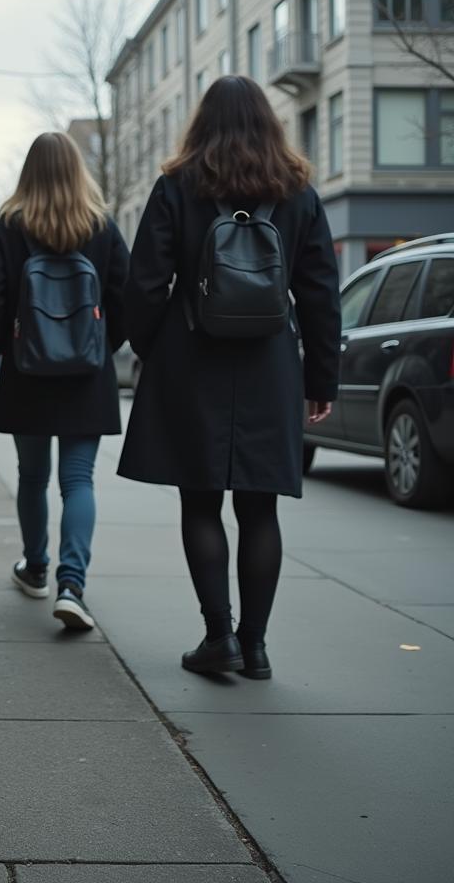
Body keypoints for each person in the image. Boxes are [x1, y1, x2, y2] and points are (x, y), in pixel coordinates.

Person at [118, 75, 341, 680]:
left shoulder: (177, 187)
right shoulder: (298, 192)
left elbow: (144, 284)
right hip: (270, 366)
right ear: (270, 123)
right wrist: (321, 378)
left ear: (202, 124)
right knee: (261, 508)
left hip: (194, 359)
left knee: (200, 501)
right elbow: (320, 293)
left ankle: (219, 637)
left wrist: (151, 347)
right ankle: (257, 646)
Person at [0, 132, 130, 630]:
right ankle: (72, 586)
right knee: (78, 479)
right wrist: (99, 351)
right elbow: (126, 297)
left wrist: (12, 349)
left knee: (32, 476)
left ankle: (36, 567)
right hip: (87, 375)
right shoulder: (102, 226)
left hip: (29, 375)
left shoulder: (9, 226)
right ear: (77, 169)